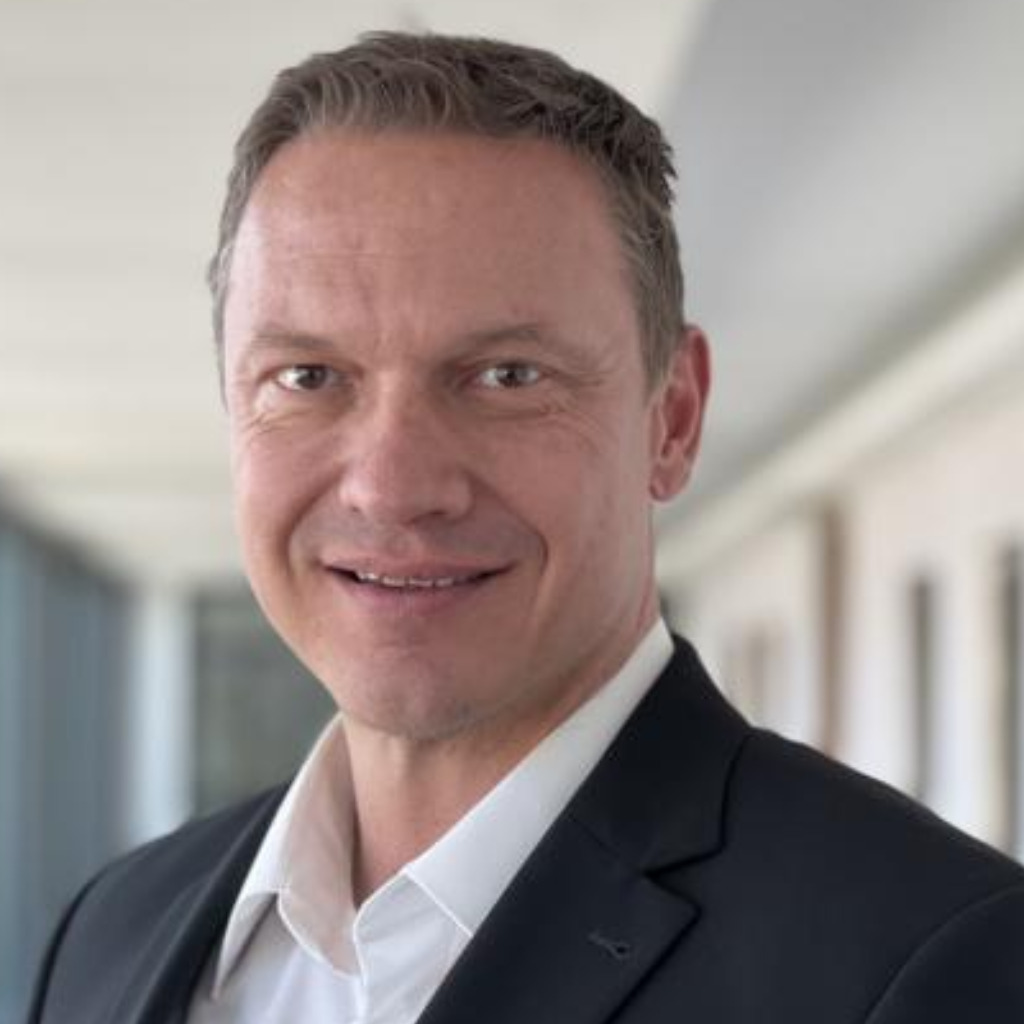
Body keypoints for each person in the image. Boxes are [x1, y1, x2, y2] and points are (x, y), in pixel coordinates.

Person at [26, 31, 1024, 1024]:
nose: (392, 487)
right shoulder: (108, 931)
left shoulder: (934, 960)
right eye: (308, 376)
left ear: (672, 420)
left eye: (506, 376)